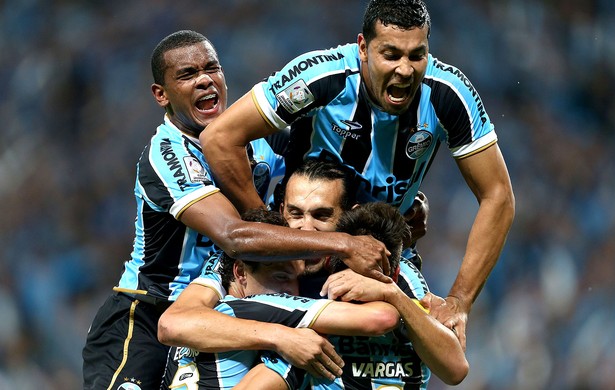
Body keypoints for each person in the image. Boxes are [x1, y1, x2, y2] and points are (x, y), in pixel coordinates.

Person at [82, 30, 392, 390]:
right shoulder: (168, 155)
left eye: (211, 68)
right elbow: (235, 237)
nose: (204, 80)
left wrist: (399, 205)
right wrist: (343, 243)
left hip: (228, 305)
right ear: (161, 94)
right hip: (151, 311)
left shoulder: (255, 137)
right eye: (187, 74)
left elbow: (329, 173)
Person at [200, 0, 515, 348]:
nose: (406, 70)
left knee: (415, 356)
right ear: (363, 48)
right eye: (391, 54)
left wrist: (460, 301)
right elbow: (219, 138)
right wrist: (270, 236)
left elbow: (498, 195)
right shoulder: (322, 77)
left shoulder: (448, 94)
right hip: (304, 257)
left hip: (379, 262)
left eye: (417, 55)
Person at [158, 159, 433, 388]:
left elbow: (449, 361)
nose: (306, 230)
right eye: (296, 214)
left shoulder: (375, 265)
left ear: (348, 216)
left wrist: (432, 306)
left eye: (322, 216)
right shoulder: (245, 259)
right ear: (281, 212)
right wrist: (281, 336)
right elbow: (173, 324)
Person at [161, 207, 402, 390]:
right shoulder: (264, 305)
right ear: (240, 272)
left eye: (295, 278)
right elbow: (382, 317)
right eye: (280, 276)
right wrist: (384, 289)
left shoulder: (210, 309)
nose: (290, 290)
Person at [235, 202, 468, 389]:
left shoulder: (404, 281)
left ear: (394, 272)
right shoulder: (315, 294)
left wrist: (393, 295)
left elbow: (455, 370)